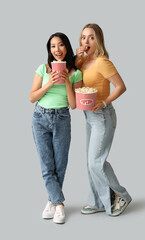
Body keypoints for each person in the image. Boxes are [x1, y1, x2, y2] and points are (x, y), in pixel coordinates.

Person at [75, 23, 132, 216]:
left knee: (95, 162)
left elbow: (121, 86)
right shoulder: (82, 62)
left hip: (102, 116)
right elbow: (77, 80)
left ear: (98, 40)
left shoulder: (102, 62)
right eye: (83, 37)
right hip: (88, 116)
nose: (87, 41)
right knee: (90, 162)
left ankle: (121, 195)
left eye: (91, 37)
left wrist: (105, 102)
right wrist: (77, 57)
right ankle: (98, 201)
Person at [30, 32, 82, 224]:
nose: (57, 50)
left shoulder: (76, 72)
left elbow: (74, 104)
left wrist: (67, 80)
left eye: (60, 45)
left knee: (59, 165)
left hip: (62, 118)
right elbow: (32, 97)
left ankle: (52, 201)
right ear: (49, 50)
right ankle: (59, 205)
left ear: (66, 48)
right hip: (40, 118)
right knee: (46, 165)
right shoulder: (43, 69)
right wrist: (49, 83)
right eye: (53, 46)